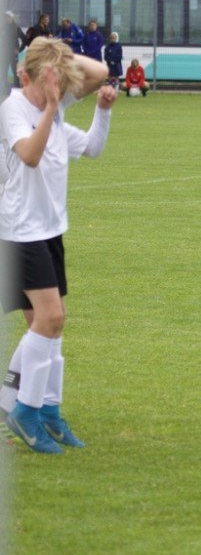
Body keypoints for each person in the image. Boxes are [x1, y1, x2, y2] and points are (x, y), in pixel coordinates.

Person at [0, 38, 116, 454]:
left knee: (50, 326)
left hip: (49, 231)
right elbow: (30, 155)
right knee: (50, 319)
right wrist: (51, 105)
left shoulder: (54, 99)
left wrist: (57, 50)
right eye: (49, 79)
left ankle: (43, 409)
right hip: (19, 233)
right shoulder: (14, 108)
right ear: (27, 76)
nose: (58, 88)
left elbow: (100, 73)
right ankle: (25, 410)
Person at [3, 12, 28, 94]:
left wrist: (19, 50)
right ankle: (5, 89)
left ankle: (17, 89)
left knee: (15, 71)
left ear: (12, 18)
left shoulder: (16, 27)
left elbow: (25, 40)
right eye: (5, 17)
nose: (7, 19)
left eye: (8, 17)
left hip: (13, 55)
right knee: (3, 71)